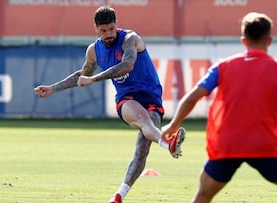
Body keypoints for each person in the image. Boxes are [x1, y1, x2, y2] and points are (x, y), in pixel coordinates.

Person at [161, 12, 277, 203]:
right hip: (265, 145)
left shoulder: (222, 67)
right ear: (269, 40)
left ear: (243, 40)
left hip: (227, 145)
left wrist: (173, 125)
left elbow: (192, 97)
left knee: (203, 195)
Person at [33, 5, 185, 203]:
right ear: (96, 28)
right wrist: (54, 88)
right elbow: (82, 75)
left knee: (142, 149)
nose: (109, 34)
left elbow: (127, 65)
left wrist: (94, 79)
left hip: (151, 98)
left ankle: (118, 195)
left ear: (116, 25)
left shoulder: (131, 39)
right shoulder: (93, 50)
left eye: (112, 29)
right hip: (127, 99)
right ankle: (169, 144)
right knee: (142, 119)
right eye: (104, 31)